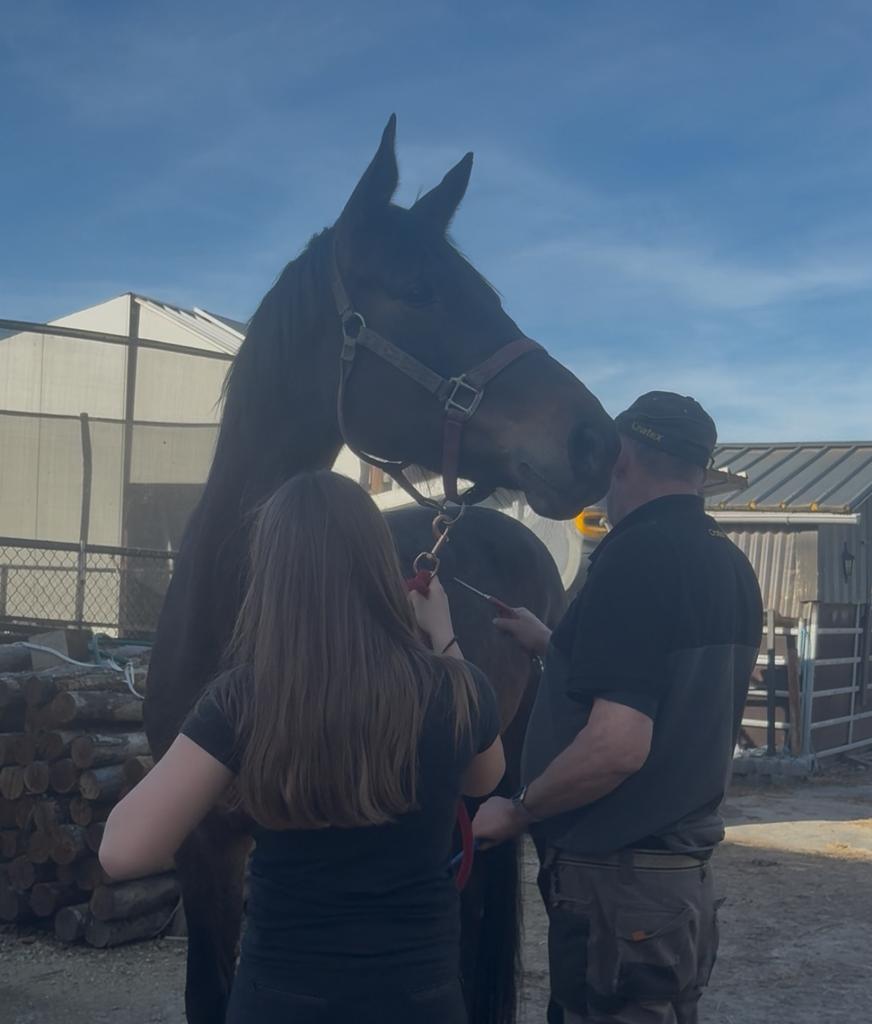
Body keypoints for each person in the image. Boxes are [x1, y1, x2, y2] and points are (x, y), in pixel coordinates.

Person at [99, 470, 504, 1024]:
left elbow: (122, 852)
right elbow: (485, 779)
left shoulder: (243, 698)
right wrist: (445, 636)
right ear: (380, 565)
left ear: (271, 576)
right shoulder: (457, 687)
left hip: (283, 998)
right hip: (421, 997)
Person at [473, 392, 763, 1024]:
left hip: (618, 885)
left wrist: (519, 809)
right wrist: (556, 645)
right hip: (674, 885)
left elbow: (619, 745)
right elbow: (665, 682)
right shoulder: (728, 563)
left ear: (623, 455)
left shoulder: (637, 557)